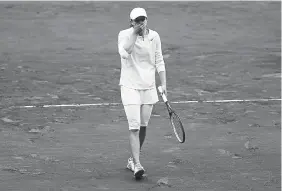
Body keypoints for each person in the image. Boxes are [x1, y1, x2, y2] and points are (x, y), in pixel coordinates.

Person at [117, 7, 167, 179]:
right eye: (137, 20)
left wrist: (163, 83)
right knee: (134, 126)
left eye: (143, 19)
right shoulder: (124, 35)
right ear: (131, 22)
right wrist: (134, 33)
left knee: (143, 126)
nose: (141, 23)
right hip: (130, 87)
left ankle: (132, 159)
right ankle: (137, 165)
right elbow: (125, 53)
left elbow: (159, 60)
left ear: (147, 20)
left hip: (149, 87)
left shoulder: (155, 37)